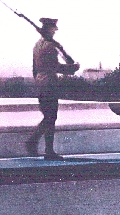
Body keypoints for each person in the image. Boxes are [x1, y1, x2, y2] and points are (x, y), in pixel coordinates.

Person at [26, 18, 80, 161]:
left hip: (40, 83)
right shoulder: (50, 46)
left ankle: (34, 142)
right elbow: (55, 67)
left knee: (48, 116)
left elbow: (35, 69)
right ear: (49, 29)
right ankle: (45, 148)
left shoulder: (37, 45)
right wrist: (72, 69)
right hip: (49, 83)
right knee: (51, 117)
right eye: (53, 29)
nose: (55, 31)